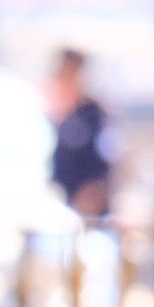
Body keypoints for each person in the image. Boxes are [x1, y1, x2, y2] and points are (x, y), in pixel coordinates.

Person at [48, 48, 113, 217]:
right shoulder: (58, 113)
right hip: (63, 200)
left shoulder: (93, 113)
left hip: (89, 205)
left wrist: (95, 192)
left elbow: (106, 156)